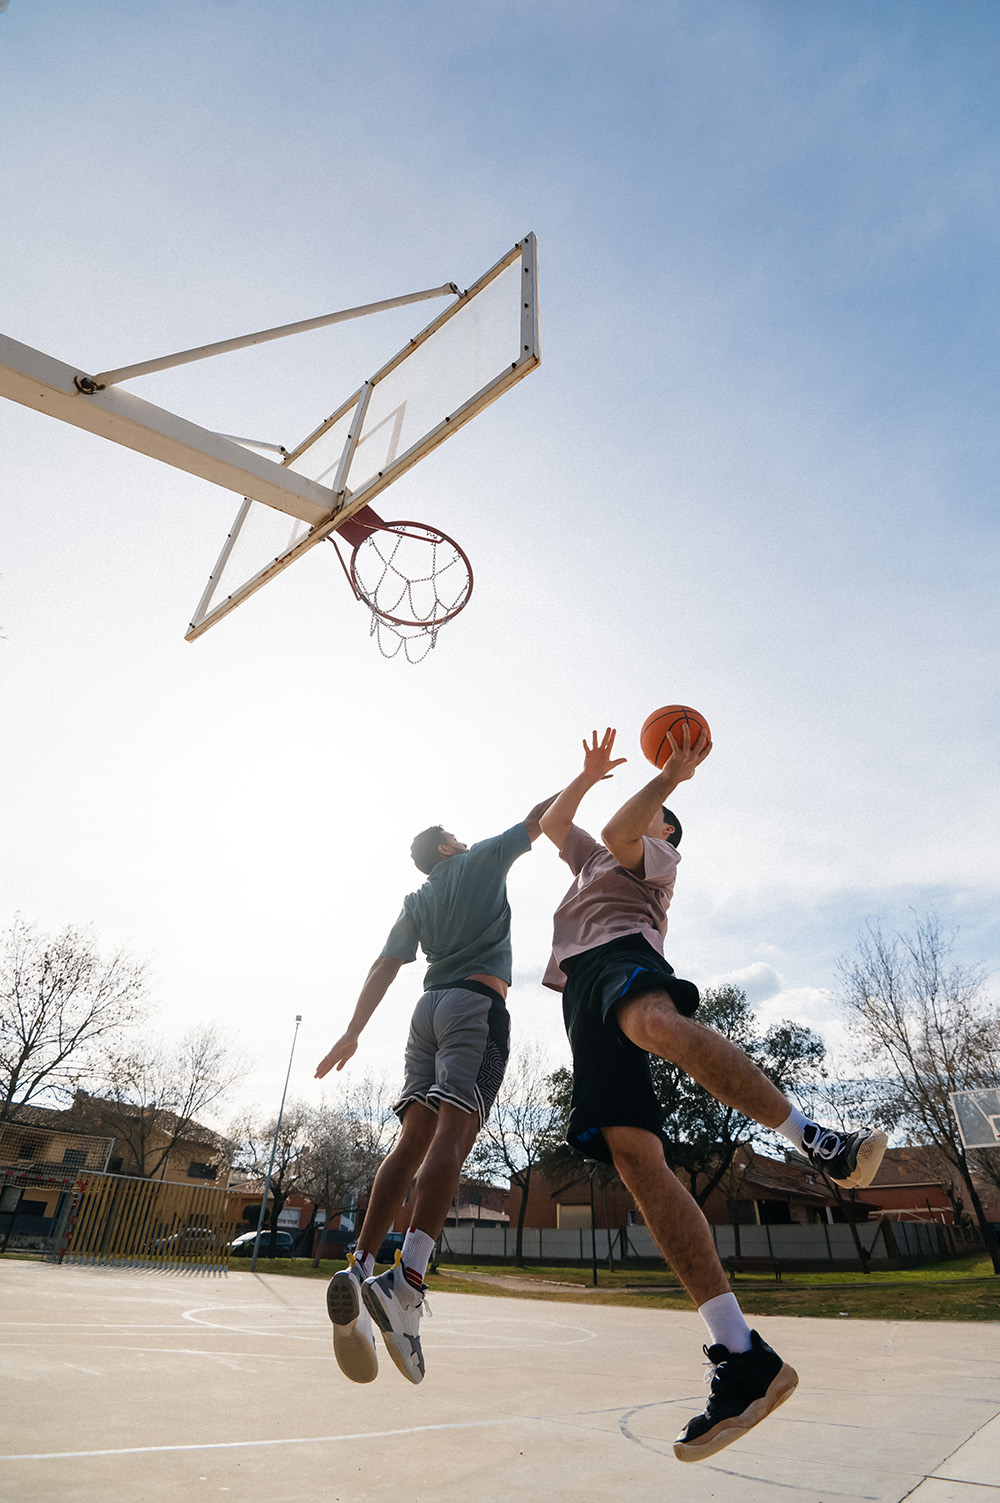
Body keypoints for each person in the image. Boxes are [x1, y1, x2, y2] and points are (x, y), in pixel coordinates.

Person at [539, 727, 887, 1463]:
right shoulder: (595, 863)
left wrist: (670, 779)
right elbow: (556, 825)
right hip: (579, 996)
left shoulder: (651, 858)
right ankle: (743, 1355)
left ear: (665, 833)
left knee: (655, 1020)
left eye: (655, 815)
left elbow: (613, 826)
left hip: (619, 959)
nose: (647, 818)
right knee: (635, 1159)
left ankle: (816, 1140)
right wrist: (588, 771)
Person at [315, 799, 553, 1387]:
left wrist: (351, 1032)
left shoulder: (416, 901)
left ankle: (362, 1263)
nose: (465, 838)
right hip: (476, 1005)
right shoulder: (480, 864)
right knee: (454, 1133)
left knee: (412, 1138)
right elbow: (539, 820)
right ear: (447, 848)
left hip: (426, 1012)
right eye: (455, 835)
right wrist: (584, 779)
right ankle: (409, 1281)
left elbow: (384, 964)